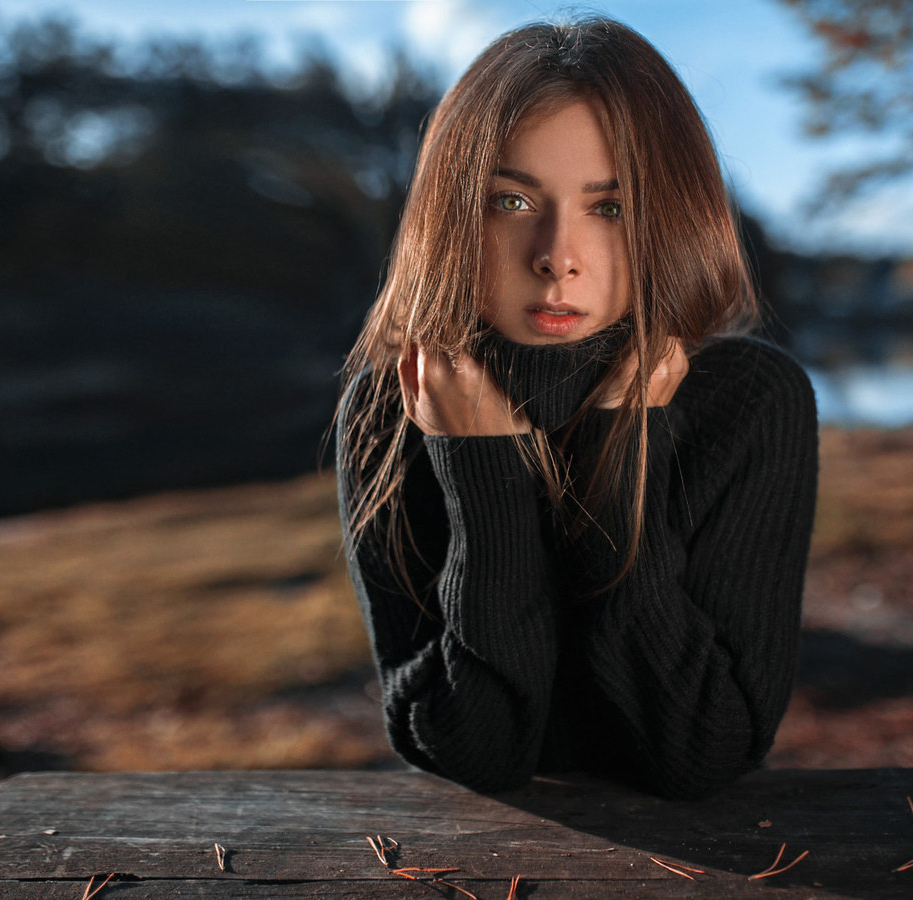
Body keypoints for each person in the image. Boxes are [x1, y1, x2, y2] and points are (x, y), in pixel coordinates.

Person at [335, 17, 818, 800]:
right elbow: (472, 754)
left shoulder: (750, 400)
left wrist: (620, 451)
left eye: (611, 208)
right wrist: (483, 471)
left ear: (670, 217)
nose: (558, 254)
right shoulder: (393, 408)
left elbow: (702, 746)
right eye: (513, 200)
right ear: (454, 215)